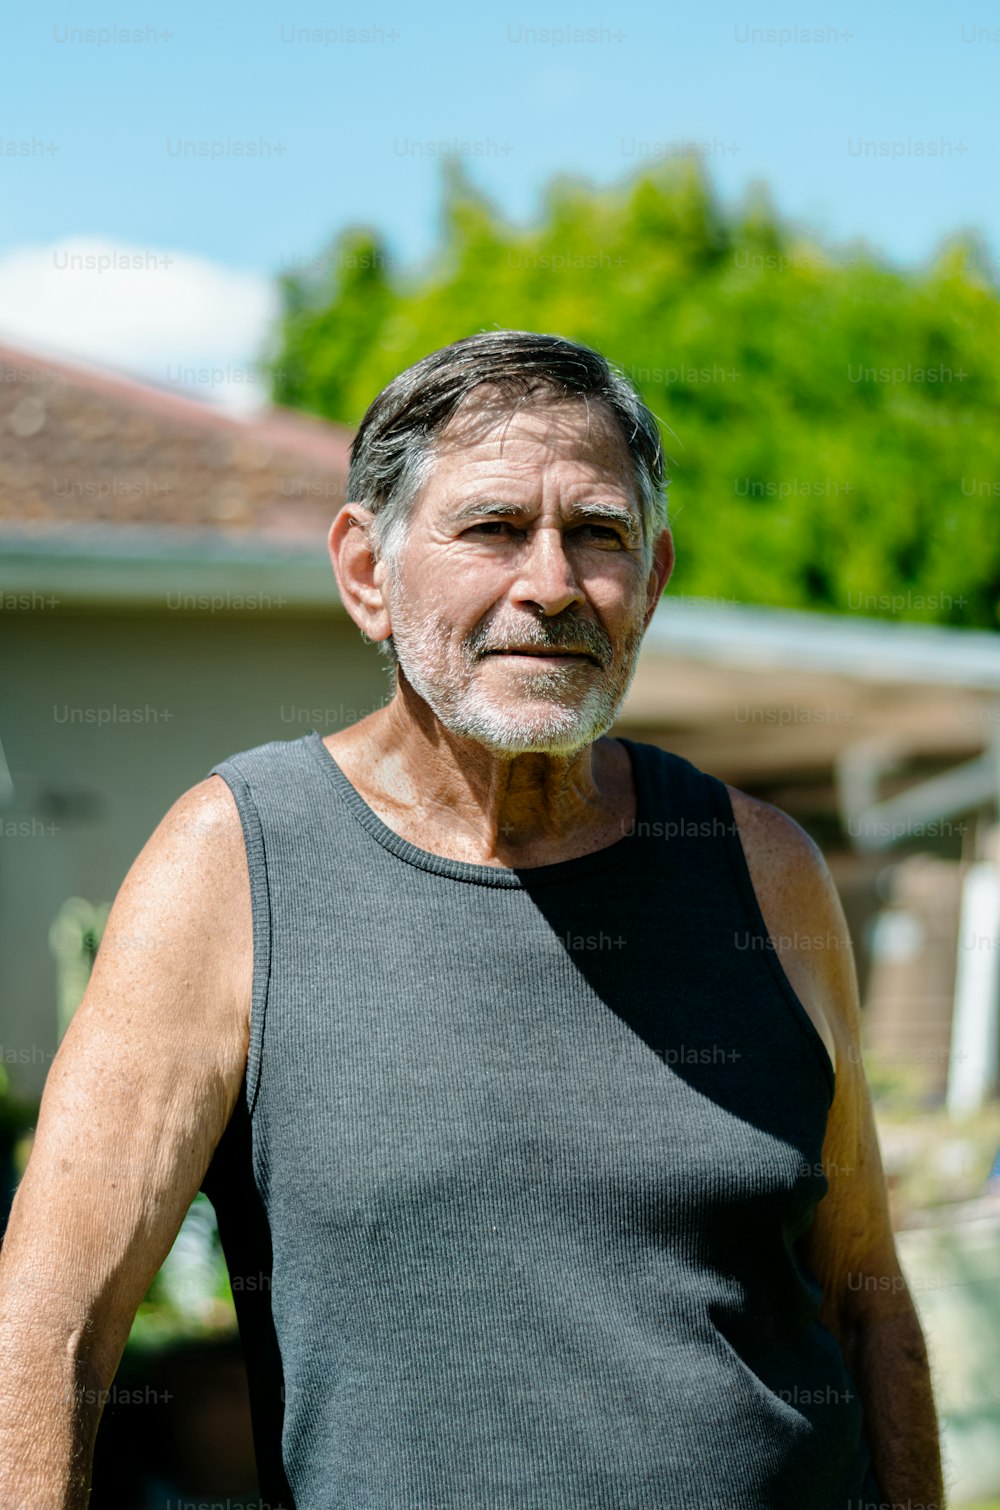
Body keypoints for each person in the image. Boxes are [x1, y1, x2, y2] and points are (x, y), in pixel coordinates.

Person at [0, 330, 943, 1509]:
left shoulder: (763, 870)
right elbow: (50, 1318)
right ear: (366, 575)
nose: (549, 583)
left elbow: (863, 1291)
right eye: (493, 528)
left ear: (648, 585)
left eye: (598, 534)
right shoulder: (235, 865)